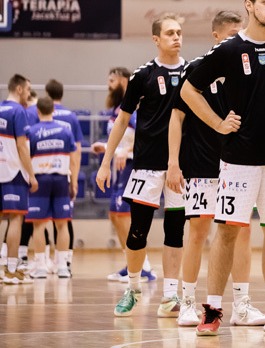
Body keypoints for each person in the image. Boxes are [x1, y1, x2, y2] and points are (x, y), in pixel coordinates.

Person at [180, 0, 265, 336]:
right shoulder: (228, 50)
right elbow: (188, 90)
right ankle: (212, 310)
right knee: (227, 233)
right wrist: (217, 123)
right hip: (238, 160)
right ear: (249, 6)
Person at [167, 10, 265, 327]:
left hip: (239, 164)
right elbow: (176, 118)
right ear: (216, 37)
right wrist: (173, 163)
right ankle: (187, 303)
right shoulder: (197, 69)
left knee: (242, 232)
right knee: (197, 232)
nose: (239, 39)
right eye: (233, 34)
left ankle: (241, 305)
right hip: (201, 164)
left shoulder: (249, 70)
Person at [96, 14, 186, 317]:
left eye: (179, 32)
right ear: (156, 39)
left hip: (179, 167)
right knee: (137, 230)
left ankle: (170, 296)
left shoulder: (192, 72)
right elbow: (122, 120)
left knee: (175, 232)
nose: (177, 37)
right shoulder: (143, 75)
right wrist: (105, 163)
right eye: (170, 33)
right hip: (146, 165)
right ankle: (133, 288)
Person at [92, 67, 155, 283]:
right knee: (115, 215)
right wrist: (105, 147)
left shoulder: (133, 109)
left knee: (125, 216)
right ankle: (130, 264)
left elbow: (144, 135)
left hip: (132, 167)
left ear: (124, 81)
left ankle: (143, 267)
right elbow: (122, 138)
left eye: (112, 81)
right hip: (119, 170)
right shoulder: (116, 111)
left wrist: (126, 150)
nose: (108, 85)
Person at [25, 79, 83, 272]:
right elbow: (74, 157)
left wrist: (29, 177)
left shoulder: (32, 131)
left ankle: (41, 266)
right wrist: (73, 181)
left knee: (39, 225)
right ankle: (63, 267)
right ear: (53, 109)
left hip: (40, 180)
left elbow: (26, 156)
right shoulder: (66, 130)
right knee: (62, 223)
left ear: (38, 111)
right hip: (61, 179)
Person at [0, 74, 37, 284]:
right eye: (28, 89)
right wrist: (31, 174)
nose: (29, 94)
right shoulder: (18, 111)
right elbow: (22, 147)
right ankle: (11, 269)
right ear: (20, 89)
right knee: (16, 218)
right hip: (13, 172)